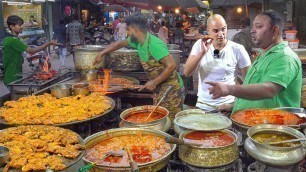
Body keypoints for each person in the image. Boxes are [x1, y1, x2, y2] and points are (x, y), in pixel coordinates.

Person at [206, 10, 302, 114]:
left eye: (259, 27)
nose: (252, 30)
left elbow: (269, 90)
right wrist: (233, 106)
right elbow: (255, 91)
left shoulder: (284, 57)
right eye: (253, 27)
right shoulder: (263, 54)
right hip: (250, 121)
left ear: (275, 30)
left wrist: (229, 89)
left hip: (272, 127)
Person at [93, 13, 183, 123]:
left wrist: (154, 82)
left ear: (135, 30)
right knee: (160, 118)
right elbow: (119, 44)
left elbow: (171, 66)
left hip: (171, 88)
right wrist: (101, 53)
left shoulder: (154, 45)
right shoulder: (138, 42)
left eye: (129, 30)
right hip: (160, 87)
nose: (127, 33)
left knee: (170, 121)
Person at [183, 14, 251, 111]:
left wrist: (234, 105)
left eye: (223, 29)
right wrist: (202, 53)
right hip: (202, 104)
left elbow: (249, 82)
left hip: (227, 106)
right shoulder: (200, 44)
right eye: (216, 31)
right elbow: (186, 72)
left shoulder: (237, 49)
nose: (221, 34)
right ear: (208, 31)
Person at [3, 15, 61, 86]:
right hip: (12, 77)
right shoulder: (13, 41)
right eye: (19, 25)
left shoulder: (11, 39)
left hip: (13, 75)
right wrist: (49, 43)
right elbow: (31, 51)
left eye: (21, 25)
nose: (21, 27)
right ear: (12, 27)